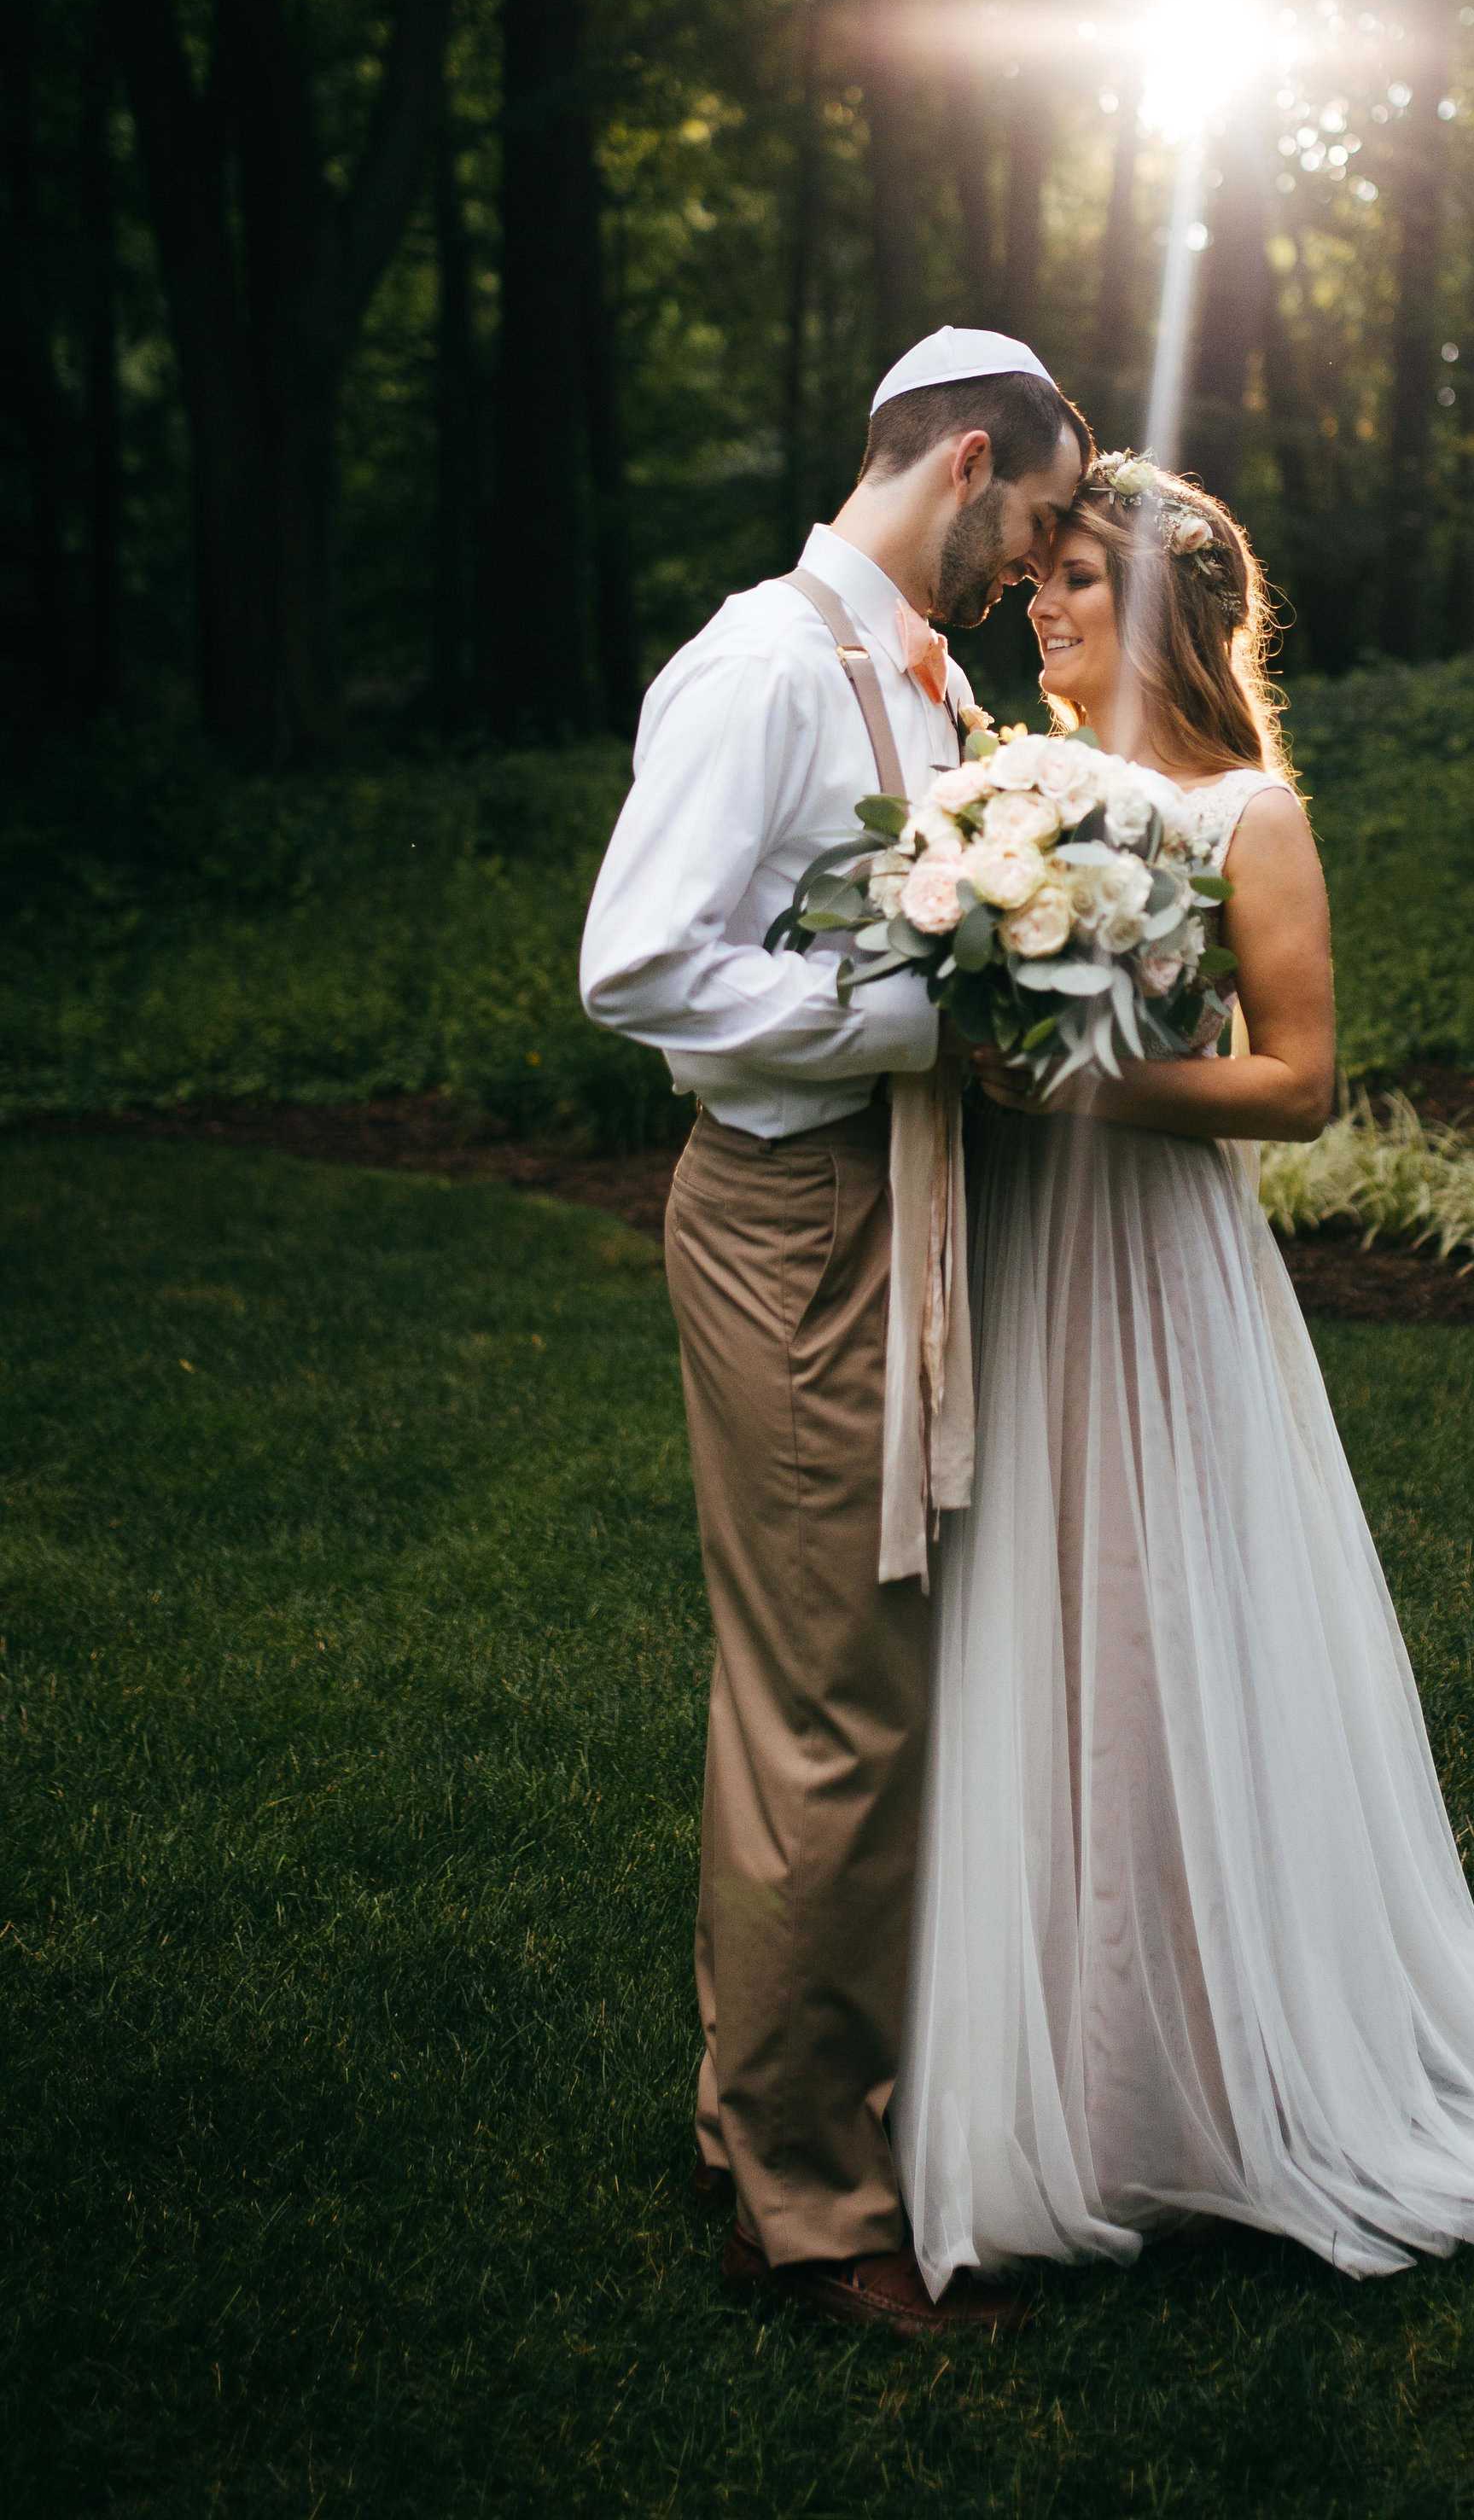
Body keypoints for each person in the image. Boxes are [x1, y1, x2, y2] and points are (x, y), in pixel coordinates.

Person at [894, 457, 1474, 2291]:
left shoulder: (1245, 817)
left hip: (1164, 1270)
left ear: (1174, 610)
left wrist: (1102, 1084)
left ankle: (1208, 2059)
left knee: (1169, 1625)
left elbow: (1298, 1084)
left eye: (1080, 585)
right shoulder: (1007, 792)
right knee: (1026, 1621)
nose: (1043, 609)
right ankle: (1039, 2044)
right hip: (1033, 1249)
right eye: (1038, 583)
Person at [580, 329, 1089, 2338]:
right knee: (839, 1706)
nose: (1030, 572)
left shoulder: (926, 678)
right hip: (797, 1225)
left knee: (852, 1685)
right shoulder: (768, 670)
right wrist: (913, 1027)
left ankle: (771, 2115)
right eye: (1035, 525)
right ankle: (803, 2211)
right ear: (968, 464)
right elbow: (638, 964)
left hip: (912, 1205)